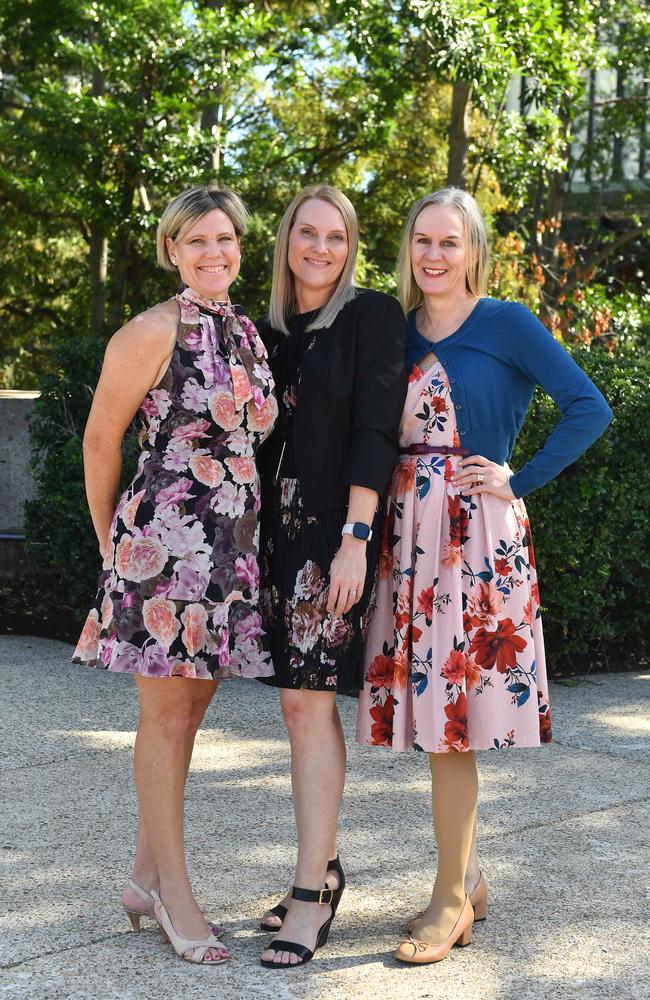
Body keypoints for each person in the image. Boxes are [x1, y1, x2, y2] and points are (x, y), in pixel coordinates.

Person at [356, 187, 612, 964]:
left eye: (449, 242)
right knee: (434, 723)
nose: (434, 255)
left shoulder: (506, 322)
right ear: (408, 249)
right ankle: (468, 874)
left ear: (474, 251)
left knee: (452, 729)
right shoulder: (391, 331)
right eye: (422, 241)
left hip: (473, 535)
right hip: (408, 538)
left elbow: (588, 406)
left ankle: (450, 900)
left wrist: (518, 476)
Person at [73, 186, 278, 965]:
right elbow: (100, 442)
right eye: (195, 241)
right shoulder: (150, 331)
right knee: (164, 720)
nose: (213, 252)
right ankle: (174, 895)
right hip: (161, 551)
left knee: (190, 717)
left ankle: (142, 874)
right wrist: (109, 545)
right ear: (170, 249)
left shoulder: (245, 334)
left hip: (227, 552)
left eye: (224, 238)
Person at [255, 184, 407, 968]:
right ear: (286, 242)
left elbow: (377, 427)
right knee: (294, 708)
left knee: (307, 706)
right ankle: (323, 868)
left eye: (337, 236)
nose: (321, 248)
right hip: (270, 544)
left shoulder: (371, 316)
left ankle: (311, 896)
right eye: (307, 233)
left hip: (330, 537)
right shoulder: (267, 329)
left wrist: (355, 537)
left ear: (352, 247)